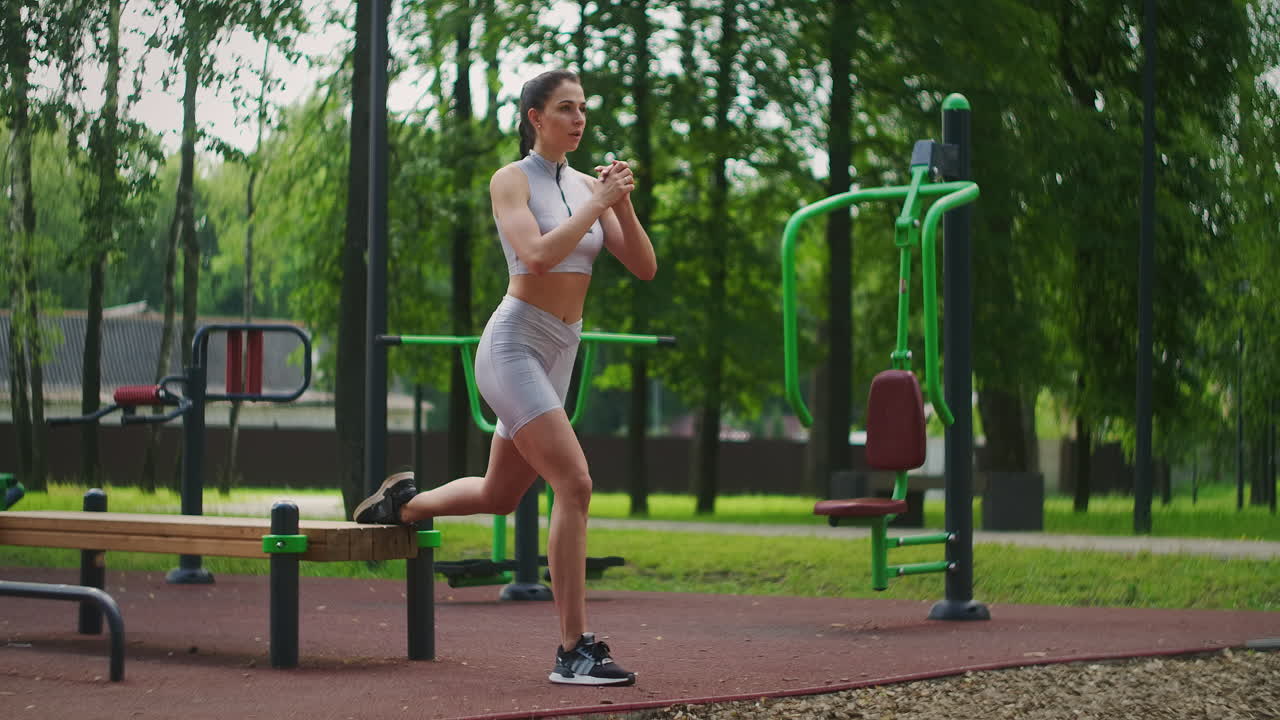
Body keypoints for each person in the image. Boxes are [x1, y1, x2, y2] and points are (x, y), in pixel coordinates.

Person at [352, 69, 657, 687]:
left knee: (499, 494)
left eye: (583, 111)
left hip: (560, 350)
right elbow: (538, 254)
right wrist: (598, 204)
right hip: (514, 344)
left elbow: (644, 266)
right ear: (534, 117)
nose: (578, 120)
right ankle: (573, 650)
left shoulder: (585, 185)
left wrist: (618, 201)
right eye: (565, 109)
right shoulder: (511, 180)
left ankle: (403, 505)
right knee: (574, 482)